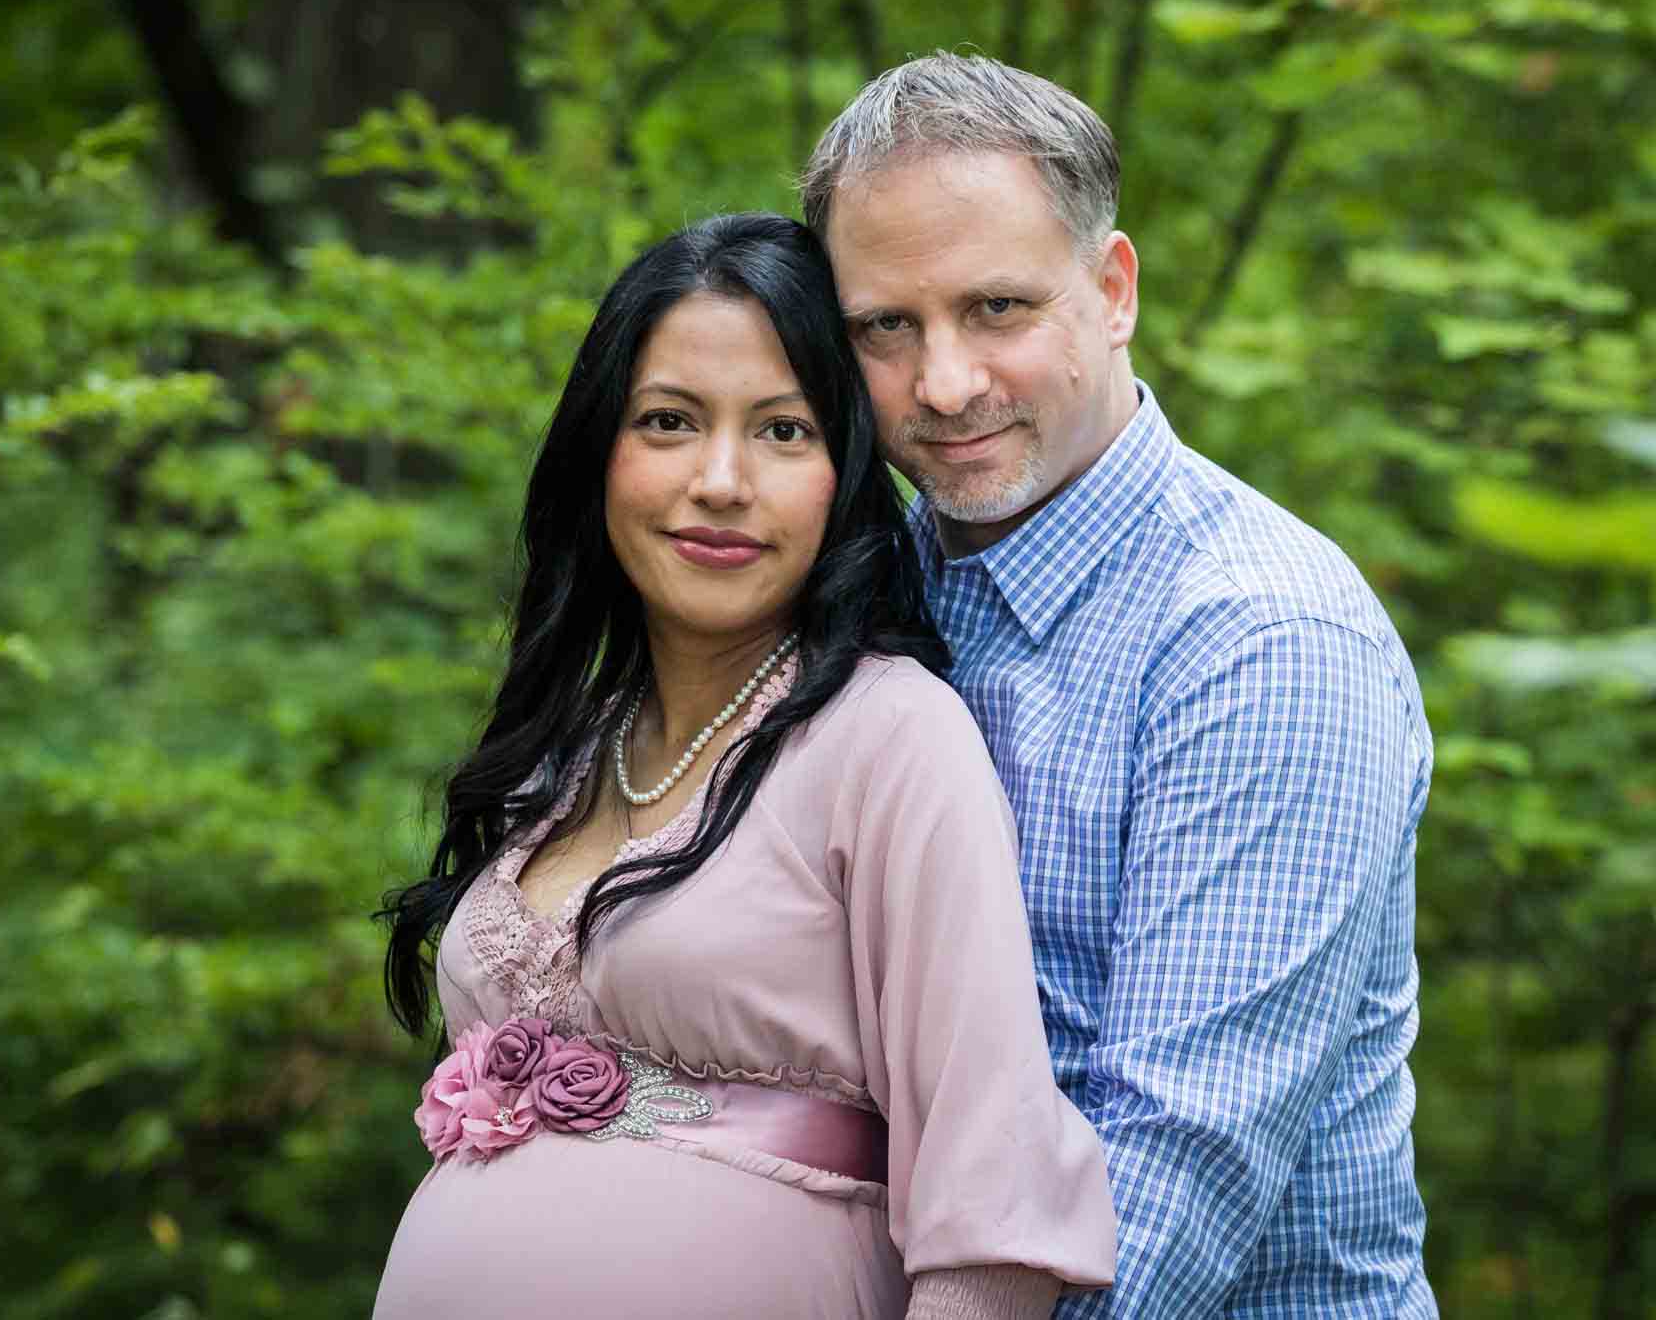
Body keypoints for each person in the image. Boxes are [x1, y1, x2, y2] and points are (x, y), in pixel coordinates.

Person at [371, 213, 1116, 1320]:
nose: (720, 481)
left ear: (843, 473)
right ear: (598, 452)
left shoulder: (889, 739)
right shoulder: (562, 756)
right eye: (668, 421)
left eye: (782, 431)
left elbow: (989, 1230)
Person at [803, 53, 1438, 1317]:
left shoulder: (1263, 640)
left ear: (1111, 290)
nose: (943, 384)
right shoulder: (856, 595)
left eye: (996, 309)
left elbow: (1164, 1190)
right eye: (885, 326)